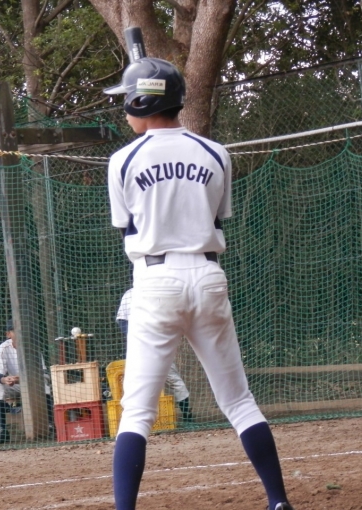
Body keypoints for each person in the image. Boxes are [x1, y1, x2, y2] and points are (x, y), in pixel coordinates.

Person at [104, 56, 294, 510]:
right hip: (208, 276)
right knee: (239, 401)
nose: (123, 109)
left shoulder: (122, 160)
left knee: (138, 412)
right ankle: (278, 501)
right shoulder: (215, 152)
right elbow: (215, 216)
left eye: (127, 100)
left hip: (155, 280)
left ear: (141, 102)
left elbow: (126, 225)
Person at [117, 288, 193, 423]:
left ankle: (187, 416)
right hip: (140, 348)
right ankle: (136, 420)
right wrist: (137, 339)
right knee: (135, 383)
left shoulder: (156, 291)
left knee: (173, 380)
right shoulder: (130, 294)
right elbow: (123, 320)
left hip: (157, 346)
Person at [0, 320, 53, 444]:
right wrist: (5, 379)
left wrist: (25, 378)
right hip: (15, 384)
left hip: (33, 383)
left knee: (45, 386)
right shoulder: (3, 348)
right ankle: (2, 430)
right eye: (15, 331)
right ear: (8, 334)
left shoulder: (32, 346)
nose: (19, 333)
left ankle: (50, 425)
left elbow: (44, 374)